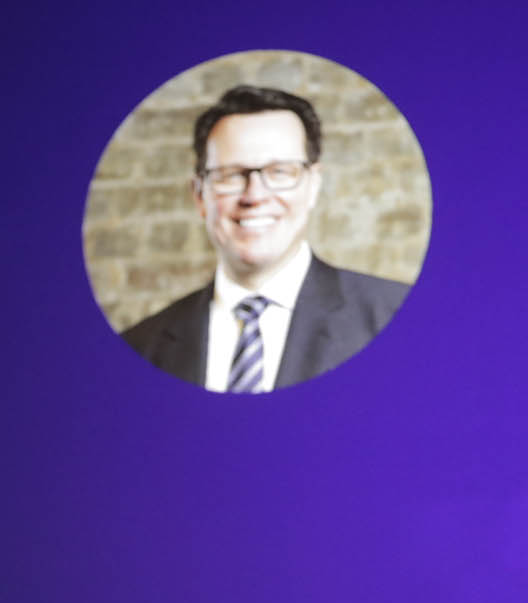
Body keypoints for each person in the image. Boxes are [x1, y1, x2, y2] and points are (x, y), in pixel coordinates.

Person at [121, 85, 411, 392]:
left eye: (280, 172)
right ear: (199, 195)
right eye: (231, 175)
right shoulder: (139, 347)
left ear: (313, 185)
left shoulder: (397, 320)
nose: (255, 195)